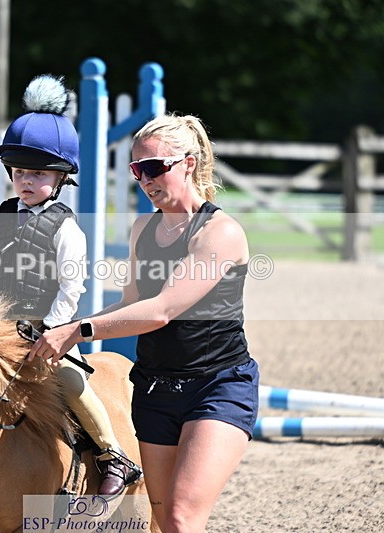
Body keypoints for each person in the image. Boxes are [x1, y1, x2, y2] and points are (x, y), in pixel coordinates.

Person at [28, 113, 259, 532]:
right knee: (157, 520)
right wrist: (60, 330)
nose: (144, 180)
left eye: (154, 168)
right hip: (154, 388)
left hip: (217, 386)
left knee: (180, 516)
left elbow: (160, 310)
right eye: (137, 170)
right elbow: (130, 303)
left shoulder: (220, 233)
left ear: (188, 163)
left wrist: (76, 331)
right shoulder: (142, 229)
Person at [0, 74, 142, 498]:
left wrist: (53, 332)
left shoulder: (67, 228)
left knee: (68, 381)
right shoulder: (2, 216)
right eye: (18, 172)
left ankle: (110, 454)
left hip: (50, 332)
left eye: (36, 173)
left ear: (61, 175)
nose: (25, 180)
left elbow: (73, 287)